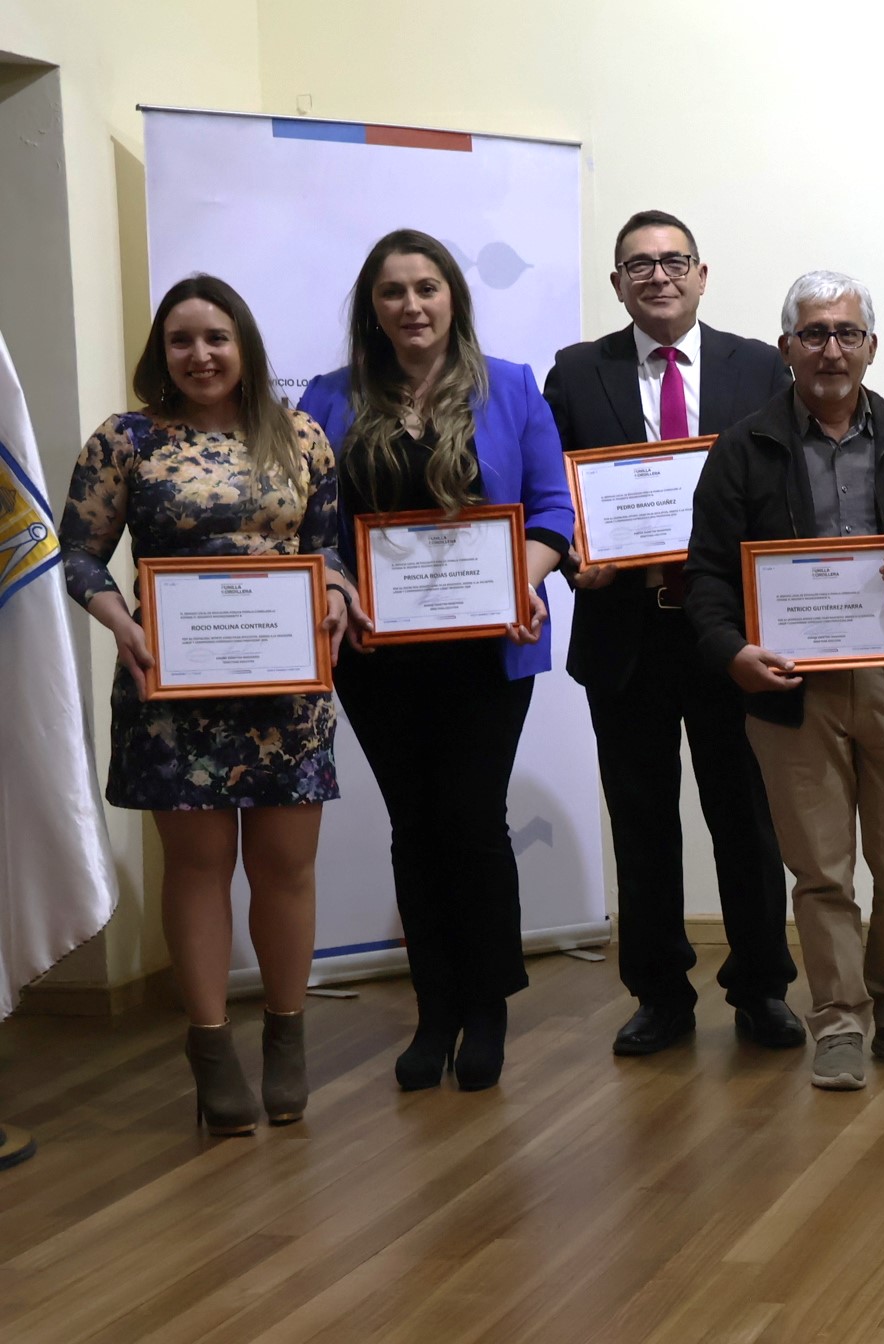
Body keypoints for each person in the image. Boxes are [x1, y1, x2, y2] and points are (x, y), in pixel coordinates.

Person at [59, 275, 350, 1135]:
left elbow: (326, 547)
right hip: (171, 688)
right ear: (162, 352)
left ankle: (287, 1044)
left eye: (216, 338)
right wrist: (119, 622)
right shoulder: (126, 440)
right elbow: (78, 555)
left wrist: (333, 593)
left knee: (286, 869)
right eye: (182, 340)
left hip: (286, 690)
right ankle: (212, 1048)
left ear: (244, 346)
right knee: (197, 869)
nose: (200, 355)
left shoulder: (300, 435)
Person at [298, 229, 574, 1094]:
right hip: (377, 656)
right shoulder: (327, 398)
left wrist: (522, 583)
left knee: (473, 819)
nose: (411, 306)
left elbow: (553, 510)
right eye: (392, 292)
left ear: (454, 296)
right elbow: (315, 529)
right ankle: (434, 1010)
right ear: (370, 308)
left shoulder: (514, 389)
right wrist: (338, 587)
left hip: (489, 649)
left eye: (426, 288)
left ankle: (485, 1008)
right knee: (414, 827)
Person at [685, 270, 884, 1091]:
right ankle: (838, 1018)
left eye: (846, 333)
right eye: (814, 334)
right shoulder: (745, 446)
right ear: (786, 350)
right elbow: (707, 576)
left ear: (871, 347)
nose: (831, 349)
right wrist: (734, 654)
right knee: (821, 871)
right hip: (790, 690)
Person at [545, 210, 803, 1057]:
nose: (657, 276)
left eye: (673, 261)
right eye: (638, 265)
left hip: (728, 635)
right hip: (625, 636)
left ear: (701, 274)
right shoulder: (579, 373)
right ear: (617, 283)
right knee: (643, 822)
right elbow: (556, 496)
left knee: (747, 818)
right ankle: (658, 991)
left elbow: (783, 490)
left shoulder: (762, 367)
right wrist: (575, 553)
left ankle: (762, 987)